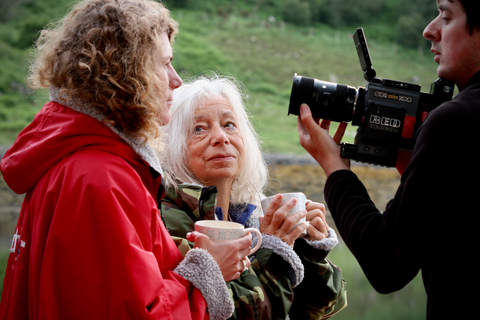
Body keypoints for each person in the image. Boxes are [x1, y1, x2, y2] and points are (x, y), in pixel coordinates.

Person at [0, 1, 253, 319]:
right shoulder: (102, 179)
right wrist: (209, 272)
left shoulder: (69, 157)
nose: (176, 80)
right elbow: (134, 312)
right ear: (128, 72)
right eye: (164, 64)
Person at [296, 0, 480, 319]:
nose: (429, 30)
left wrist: (335, 169)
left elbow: (387, 264)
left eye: (446, 16)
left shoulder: (456, 121)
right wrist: (415, 171)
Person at [159, 75, 347, 320]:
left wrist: (307, 251)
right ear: (173, 144)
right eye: (199, 129)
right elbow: (241, 313)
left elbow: (317, 310)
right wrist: (276, 250)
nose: (221, 137)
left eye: (229, 125)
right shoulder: (165, 220)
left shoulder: (253, 213)